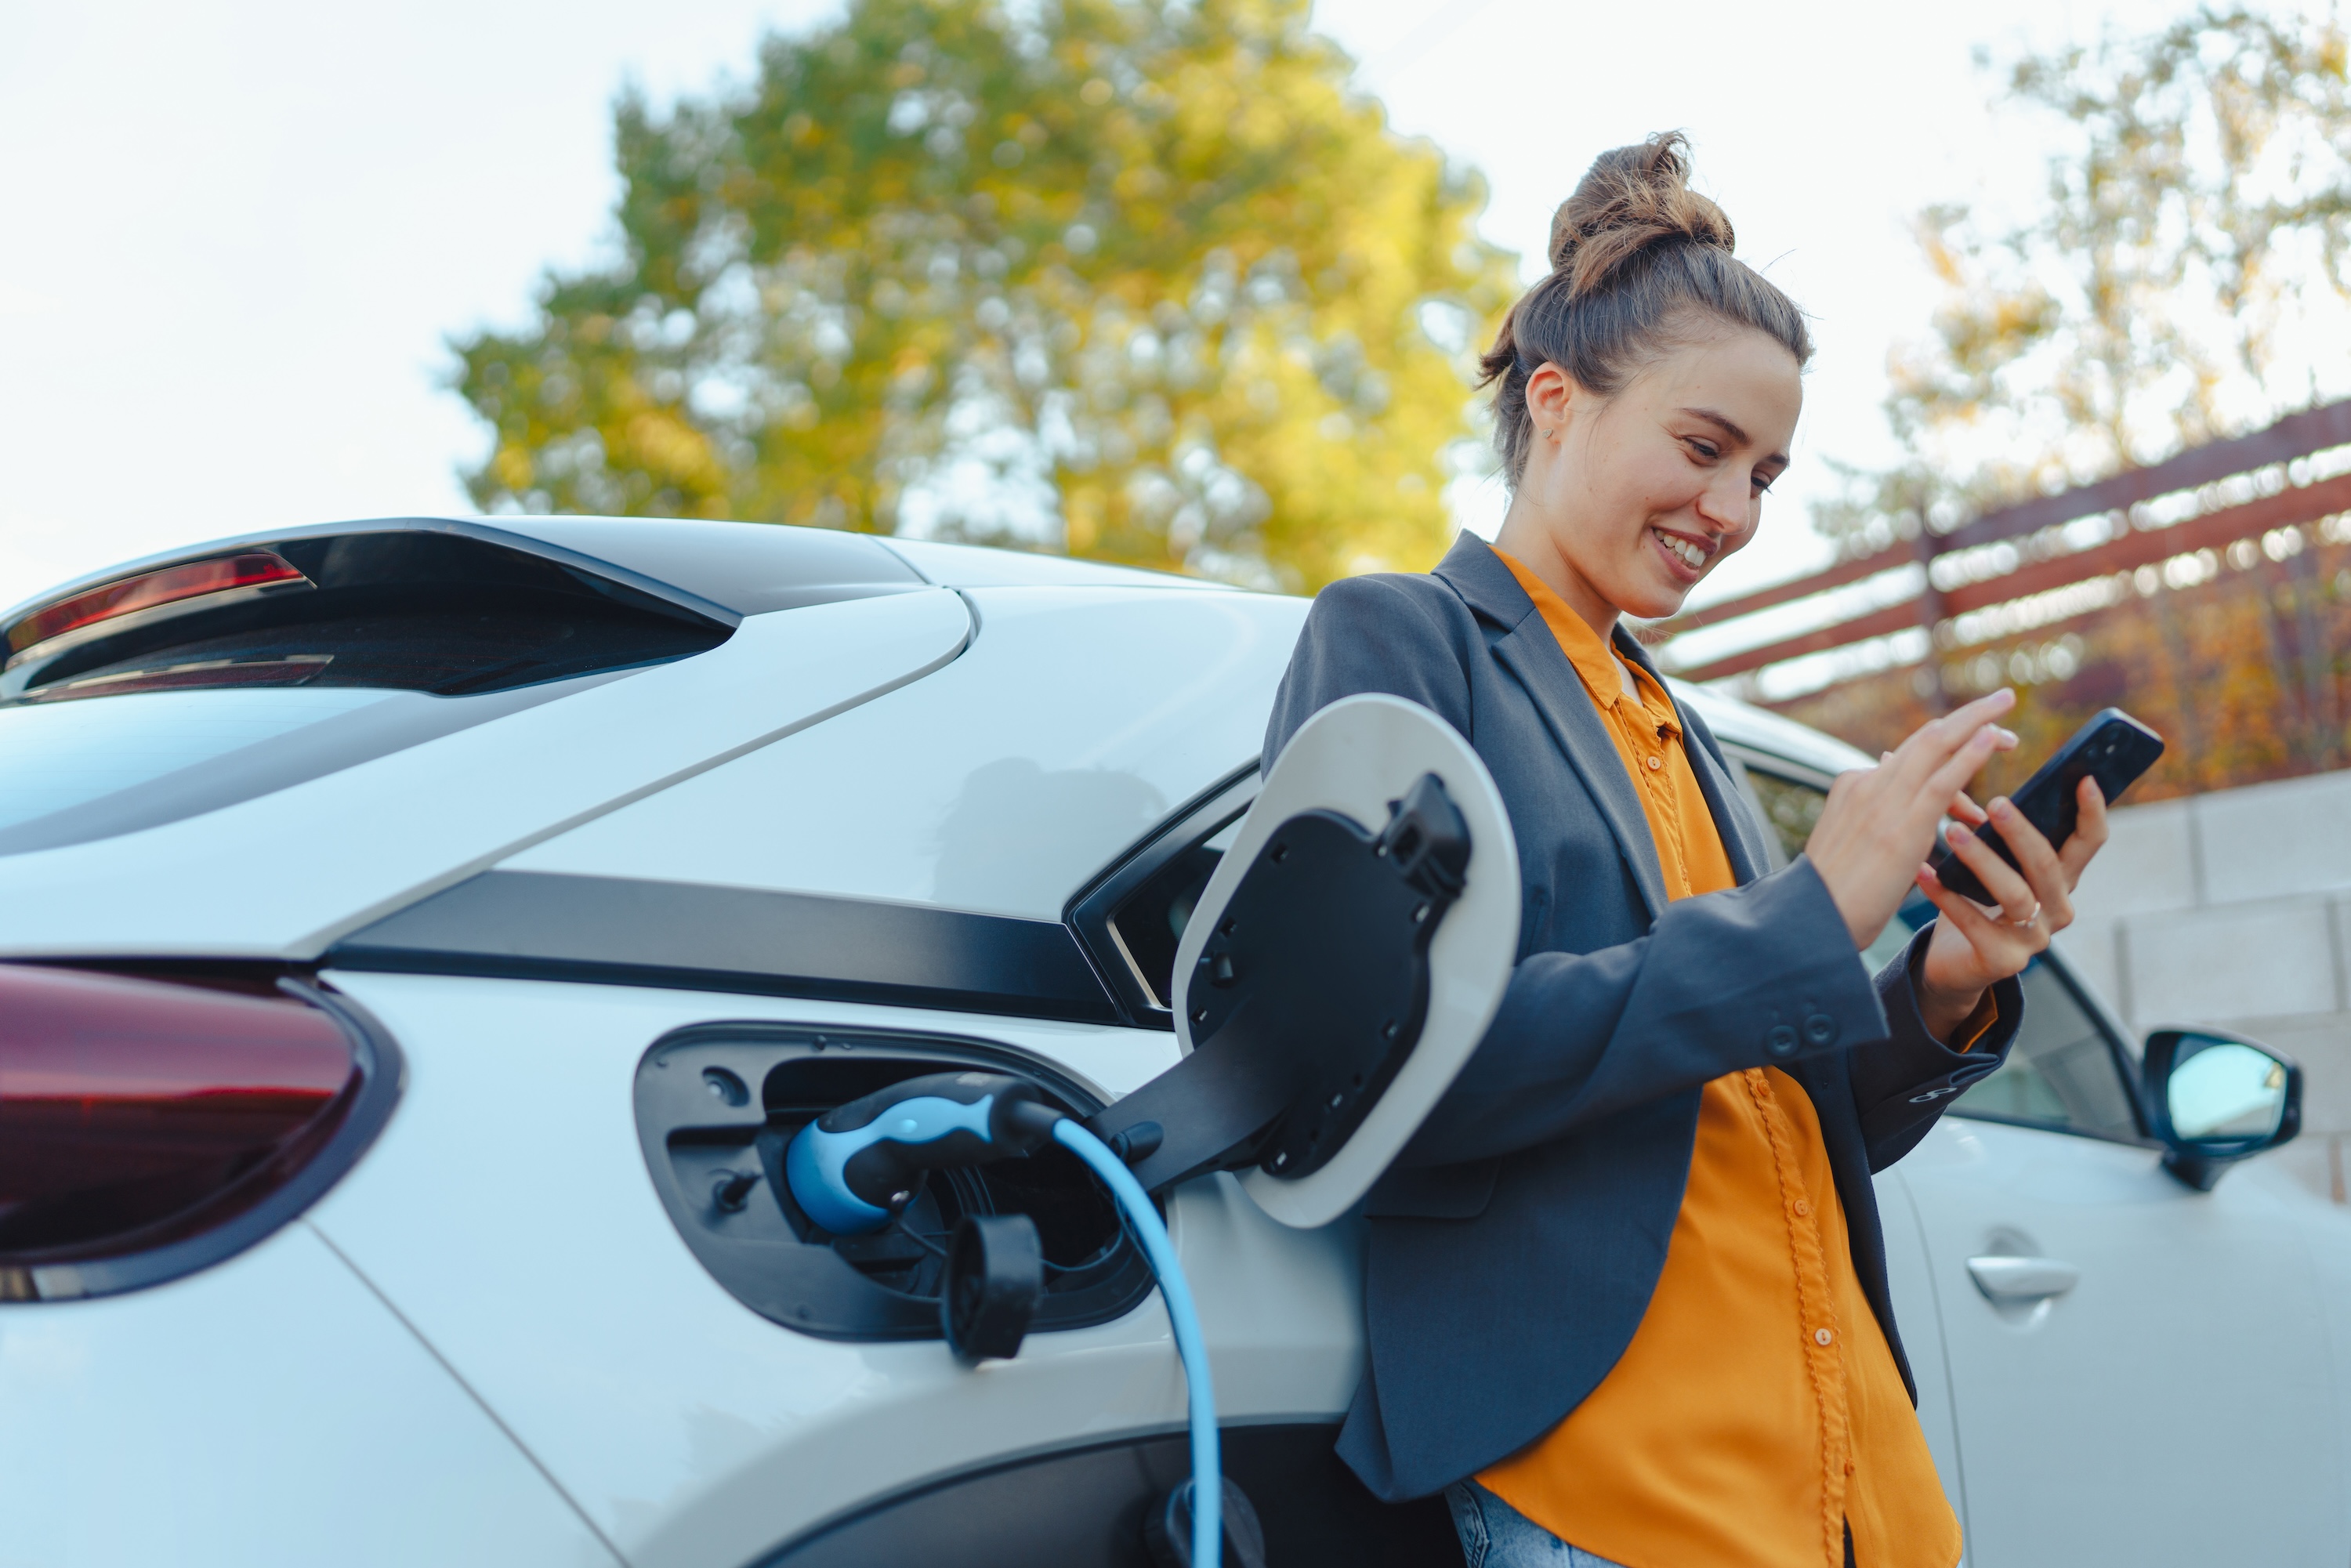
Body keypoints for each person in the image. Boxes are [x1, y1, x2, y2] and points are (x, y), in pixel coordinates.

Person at [1262, 133, 2110, 1568]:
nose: (1735, 512)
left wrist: (1944, 987)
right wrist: (1811, 914)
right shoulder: (1402, 639)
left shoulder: (1679, 721)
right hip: (1621, 1484)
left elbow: (1772, 1112)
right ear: (1556, 400)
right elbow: (1384, 1066)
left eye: (1766, 473)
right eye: (1705, 448)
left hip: (1847, 1483)